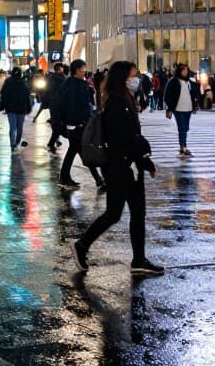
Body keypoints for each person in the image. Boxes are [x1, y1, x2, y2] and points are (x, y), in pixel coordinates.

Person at [71, 61, 163, 276]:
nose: (136, 79)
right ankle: (81, 245)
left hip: (129, 165)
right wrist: (143, 156)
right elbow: (124, 138)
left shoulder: (124, 99)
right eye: (134, 75)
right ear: (123, 78)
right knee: (114, 213)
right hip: (120, 167)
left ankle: (139, 260)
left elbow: (131, 136)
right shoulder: (115, 103)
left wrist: (142, 159)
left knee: (137, 213)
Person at [59, 59, 104, 189]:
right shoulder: (71, 84)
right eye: (81, 70)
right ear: (75, 71)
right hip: (76, 124)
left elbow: (88, 104)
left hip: (80, 123)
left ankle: (97, 179)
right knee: (80, 150)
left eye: (85, 70)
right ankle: (98, 179)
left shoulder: (81, 84)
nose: (84, 73)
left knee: (78, 149)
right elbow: (68, 105)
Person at [164, 64, 197, 157]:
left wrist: (194, 107)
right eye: (183, 70)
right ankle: (183, 147)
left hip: (188, 108)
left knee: (185, 128)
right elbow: (167, 95)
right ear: (179, 71)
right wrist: (169, 109)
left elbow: (193, 95)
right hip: (178, 109)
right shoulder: (173, 81)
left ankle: (183, 146)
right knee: (182, 128)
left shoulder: (189, 82)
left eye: (186, 70)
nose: (185, 72)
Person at [0, 67, 31, 151]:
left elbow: (3, 95)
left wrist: (2, 106)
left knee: (12, 127)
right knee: (19, 127)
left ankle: (12, 144)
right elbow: (27, 96)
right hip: (21, 109)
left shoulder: (8, 82)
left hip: (11, 108)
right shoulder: (23, 83)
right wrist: (29, 107)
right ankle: (17, 143)